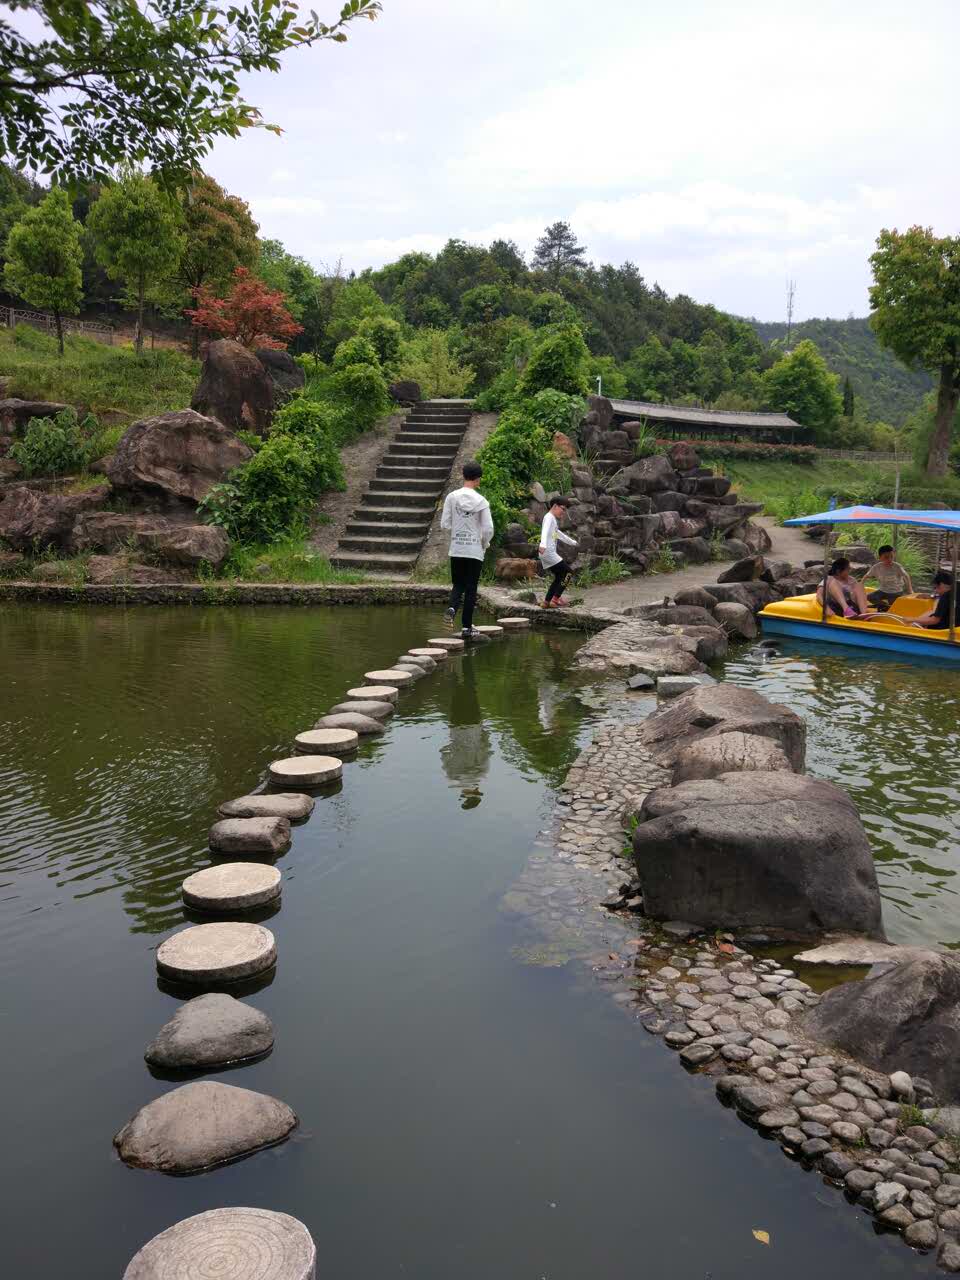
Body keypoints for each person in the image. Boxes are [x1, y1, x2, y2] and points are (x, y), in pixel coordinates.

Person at [441, 460, 494, 639]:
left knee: (458, 584)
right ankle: (466, 628)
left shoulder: (452, 497)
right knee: (471, 588)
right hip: (474, 551)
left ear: (463, 475)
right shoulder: (482, 501)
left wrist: (457, 529)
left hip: (457, 548)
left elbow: (445, 524)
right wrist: (484, 543)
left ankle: (452, 608)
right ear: (478, 479)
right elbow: (488, 529)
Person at [539, 495, 578, 608]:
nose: (564, 512)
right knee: (568, 573)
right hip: (548, 552)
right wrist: (542, 544)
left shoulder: (552, 519)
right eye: (563, 509)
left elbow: (558, 534)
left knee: (559, 576)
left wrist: (571, 542)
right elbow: (545, 530)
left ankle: (546, 602)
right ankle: (556, 599)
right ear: (555, 506)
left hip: (546, 553)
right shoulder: (549, 517)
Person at [857, 544, 913, 610]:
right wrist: (860, 586)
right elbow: (866, 576)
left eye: (891, 556)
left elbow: (906, 576)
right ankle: (884, 605)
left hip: (896, 592)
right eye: (886, 557)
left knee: (894, 605)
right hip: (883, 591)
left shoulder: (897, 566)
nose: (889, 559)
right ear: (880, 558)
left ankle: (883, 606)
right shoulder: (876, 567)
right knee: (869, 597)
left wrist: (910, 590)